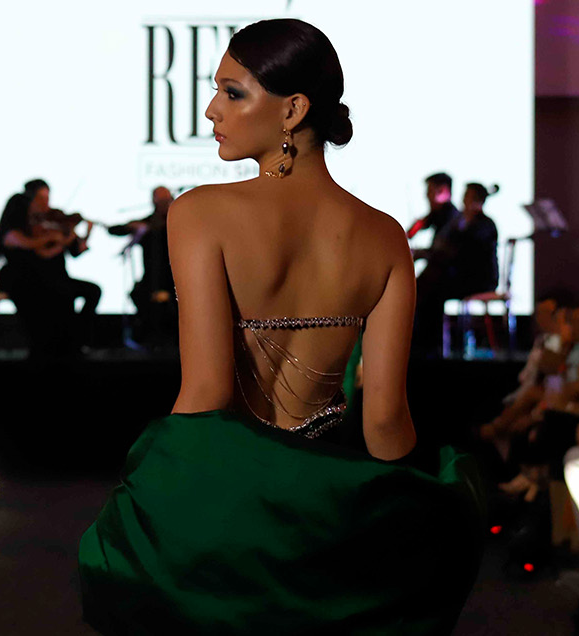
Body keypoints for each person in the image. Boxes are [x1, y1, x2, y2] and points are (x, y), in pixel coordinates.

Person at [78, 19, 483, 633]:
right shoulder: (386, 237)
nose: (211, 110)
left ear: (293, 109)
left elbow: (207, 396)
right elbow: (384, 422)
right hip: (333, 528)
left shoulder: (199, 213)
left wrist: (153, 495)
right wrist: (415, 515)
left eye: (232, 92)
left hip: (234, 520)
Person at [0, 179, 100, 356]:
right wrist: (58, 238)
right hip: (31, 282)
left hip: (53, 278)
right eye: (39, 199)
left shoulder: (50, 224)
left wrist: (79, 233)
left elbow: (74, 250)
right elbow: (38, 250)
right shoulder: (18, 230)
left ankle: (75, 341)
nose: (45, 205)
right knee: (59, 297)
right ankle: (67, 345)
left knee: (81, 293)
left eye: (46, 199)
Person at [413, 182, 500, 356]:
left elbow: (462, 254)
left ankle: (430, 345)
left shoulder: (484, 225)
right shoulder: (462, 221)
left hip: (478, 281)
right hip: (463, 278)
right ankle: (423, 343)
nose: (463, 200)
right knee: (427, 288)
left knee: (433, 292)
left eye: (467, 196)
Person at [109, 186, 178, 348]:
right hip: (151, 279)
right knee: (139, 296)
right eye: (160, 201)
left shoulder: (177, 223)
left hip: (175, 279)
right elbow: (115, 230)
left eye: (166, 200)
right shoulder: (148, 224)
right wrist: (131, 227)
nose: (164, 204)